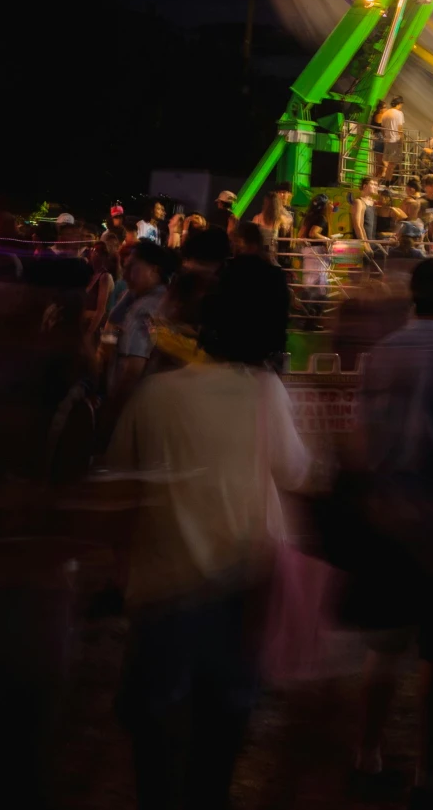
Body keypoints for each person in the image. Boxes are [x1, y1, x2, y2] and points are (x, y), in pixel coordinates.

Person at [107, 253, 307, 806]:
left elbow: (121, 488)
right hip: (238, 592)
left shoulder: (158, 396)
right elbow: (297, 471)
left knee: (155, 751)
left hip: (160, 593)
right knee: (216, 752)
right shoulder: (266, 393)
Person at [353, 256, 433, 796]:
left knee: (383, 648)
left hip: (389, 515)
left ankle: (366, 754)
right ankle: (428, 772)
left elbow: (362, 439)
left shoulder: (380, 355)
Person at [106, 240, 172, 425]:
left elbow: (132, 370)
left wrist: (111, 415)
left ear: (154, 270)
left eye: (132, 268)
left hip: (132, 407)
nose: (125, 275)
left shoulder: (142, 310)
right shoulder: (167, 299)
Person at [379, 96, 405, 179]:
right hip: (395, 141)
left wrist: (385, 137)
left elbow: (382, 128)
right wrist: (401, 141)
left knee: (386, 163)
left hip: (387, 140)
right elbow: (400, 128)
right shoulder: (399, 113)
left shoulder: (385, 113)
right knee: (392, 165)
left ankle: (382, 180)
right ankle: (387, 182)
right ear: (399, 104)